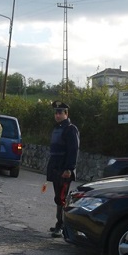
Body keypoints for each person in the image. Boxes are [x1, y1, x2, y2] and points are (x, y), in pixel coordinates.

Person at [46, 101, 80, 238]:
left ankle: (62, 226)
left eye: (60, 112)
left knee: (62, 198)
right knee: (58, 197)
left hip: (64, 170)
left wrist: (69, 169)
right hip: (56, 168)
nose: (57, 115)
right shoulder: (58, 128)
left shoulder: (70, 129)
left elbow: (73, 150)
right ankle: (59, 222)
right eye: (56, 112)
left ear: (66, 114)